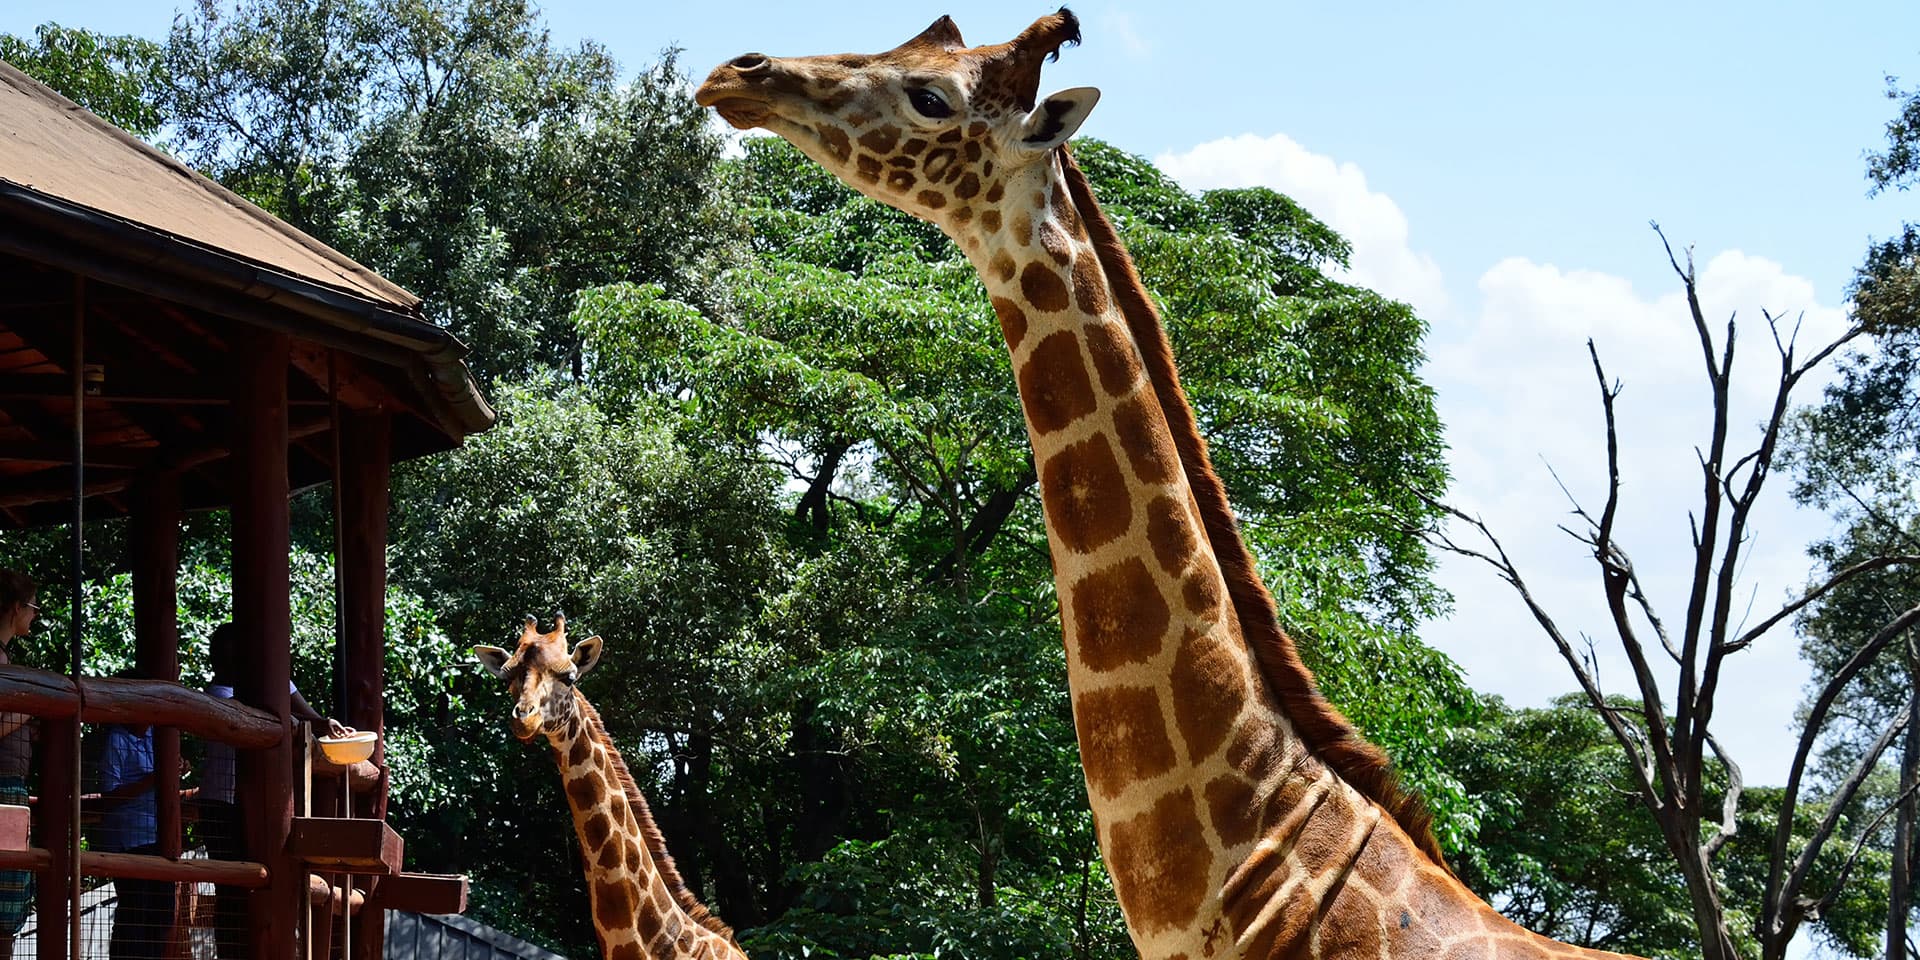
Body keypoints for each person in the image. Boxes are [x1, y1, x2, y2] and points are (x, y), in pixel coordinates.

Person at [201, 623, 348, 959]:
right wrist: (306, 723)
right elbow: (285, 718)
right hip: (224, 805)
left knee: (260, 885)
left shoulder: (258, 690)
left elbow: (297, 707)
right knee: (233, 889)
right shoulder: (220, 697)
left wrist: (321, 722)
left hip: (249, 803)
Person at [98, 687, 181, 960]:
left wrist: (176, 768)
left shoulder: (154, 738)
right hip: (129, 840)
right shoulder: (117, 740)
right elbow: (109, 796)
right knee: (135, 912)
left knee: (162, 913)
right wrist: (156, 777)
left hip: (158, 836)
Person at [0, 570, 34, 960]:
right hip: (3, 789)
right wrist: (29, 709)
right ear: (15, 608)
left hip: (10, 786)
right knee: (5, 895)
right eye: (32, 607)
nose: (34, 615)